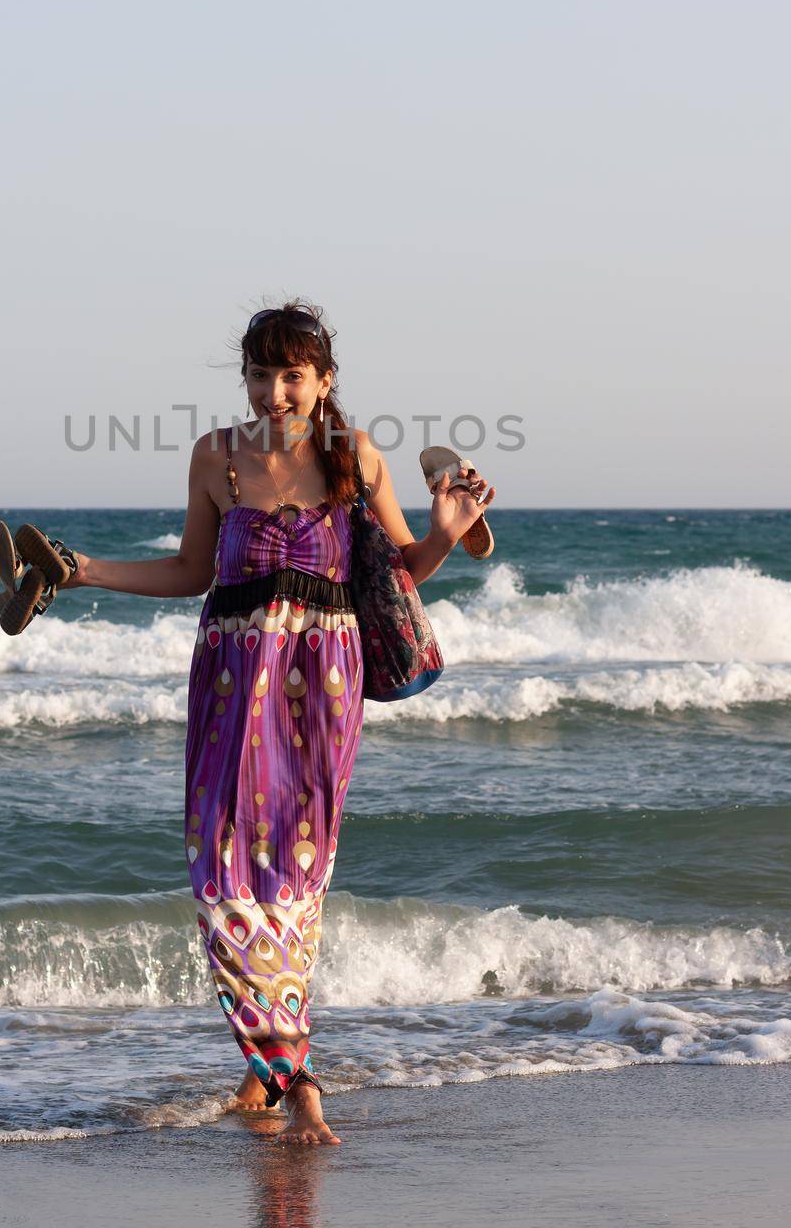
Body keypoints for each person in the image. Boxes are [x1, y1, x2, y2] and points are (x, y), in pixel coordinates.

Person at [61, 302, 493, 1144]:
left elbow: (399, 573)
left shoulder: (353, 457)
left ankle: (292, 1078)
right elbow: (192, 570)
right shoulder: (215, 459)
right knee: (223, 872)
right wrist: (84, 573)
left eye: (293, 373)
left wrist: (444, 535)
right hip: (229, 677)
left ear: (325, 379)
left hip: (321, 681)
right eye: (261, 373)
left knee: (293, 877)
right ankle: (275, 1068)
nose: (275, 390)